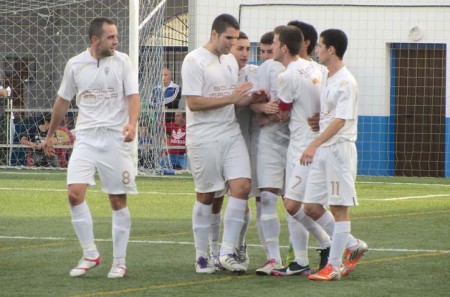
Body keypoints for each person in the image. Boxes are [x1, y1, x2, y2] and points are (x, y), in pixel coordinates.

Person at [42, 17, 140, 279]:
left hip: (115, 137)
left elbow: (133, 97)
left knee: (117, 199)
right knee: (74, 194)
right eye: (111, 37)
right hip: (85, 137)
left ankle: (119, 261)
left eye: (116, 36)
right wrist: (50, 135)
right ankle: (90, 253)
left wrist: (131, 124)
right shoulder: (75, 64)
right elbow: (63, 101)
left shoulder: (123, 62)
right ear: (95, 40)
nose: (116, 41)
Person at [181, 13, 266, 274]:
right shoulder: (194, 60)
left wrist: (252, 99)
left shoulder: (229, 62)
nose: (232, 43)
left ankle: (227, 251)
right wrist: (231, 98)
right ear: (214, 34)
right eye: (228, 38)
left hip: (230, 133)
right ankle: (202, 254)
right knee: (207, 196)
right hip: (204, 136)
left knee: (242, 186)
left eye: (236, 38)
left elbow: (235, 100)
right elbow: (194, 102)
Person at [263, 24, 332, 277]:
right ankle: (300, 260)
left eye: (275, 42)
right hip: (317, 142)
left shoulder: (287, 75)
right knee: (295, 203)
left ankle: (334, 243)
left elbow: (281, 113)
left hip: (302, 147)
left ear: (283, 47)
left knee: (293, 205)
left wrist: (261, 108)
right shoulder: (318, 68)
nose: (271, 48)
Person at [300, 29, 368, 281]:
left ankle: (335, 265)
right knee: (311, 206)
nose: (316, 49)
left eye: (319, 46)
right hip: (324, 149)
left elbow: (341, 120)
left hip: (338, 149)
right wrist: (320, 119)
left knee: (339, 207)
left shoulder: (346, 81)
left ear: (331, 50)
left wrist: (313, 144)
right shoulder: (327, 76)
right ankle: (352, 244)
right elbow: (332, 114)